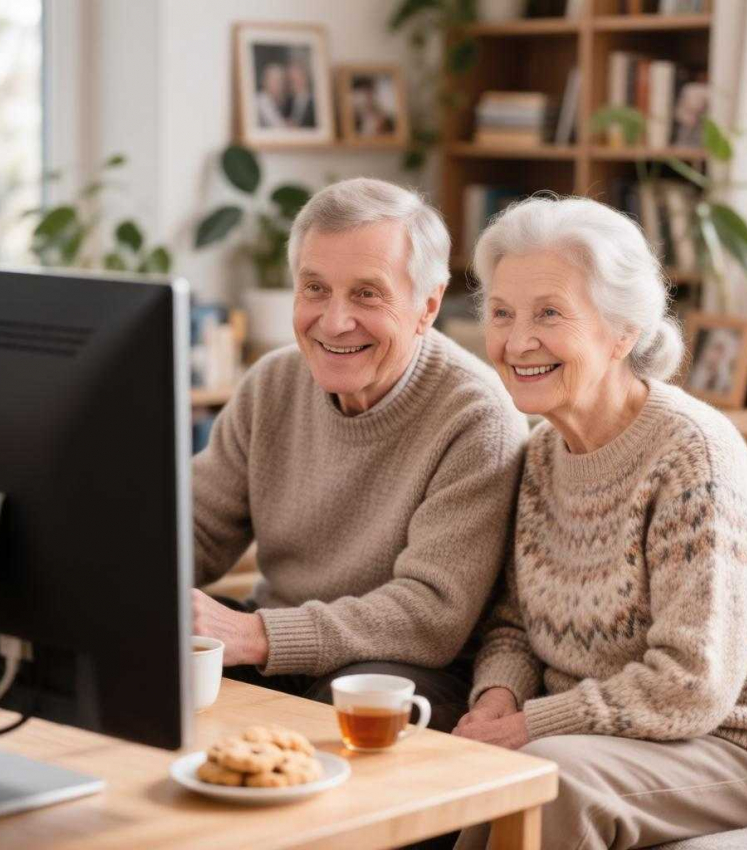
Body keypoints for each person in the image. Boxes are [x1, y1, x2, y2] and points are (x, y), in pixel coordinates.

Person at [453, 196, 747, 849]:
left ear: (623, 332)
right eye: (502, 313)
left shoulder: (692, 460)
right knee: (465, 770)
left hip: (734, 739)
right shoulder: (543, 452)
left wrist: (528, 727)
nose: (517, 342)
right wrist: (499, 700)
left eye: (549, 313)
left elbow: (692, 682)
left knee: (548, 780)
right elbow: (515, 621)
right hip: (600, 731)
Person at [191, 178, 527, 733]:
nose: (334, 321)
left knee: (344, 703)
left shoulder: (478, 418)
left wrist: (256, 636)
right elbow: (195, 530)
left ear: (428, 305)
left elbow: (429, 615)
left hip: (406, 668)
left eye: (367, 294)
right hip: (279, 646)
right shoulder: (273, 383)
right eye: (315, 288)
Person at [687, 328, 739, 395]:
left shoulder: (727, 383)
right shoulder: (693, 374)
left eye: (725, 352)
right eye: (718, 349)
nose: (722, 356)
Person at [256, 63, 289, 129]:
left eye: (280, 81)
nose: (279, 85)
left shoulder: (272, 100)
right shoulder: (261, 100)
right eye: (274, 80)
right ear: (265, 81)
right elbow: (278, 127)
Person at [287, 59, 316, 128]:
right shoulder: (289, 102)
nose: (292, 82)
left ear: (304, 77)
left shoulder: (314, 101)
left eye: (295, 78)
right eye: (290, 79)